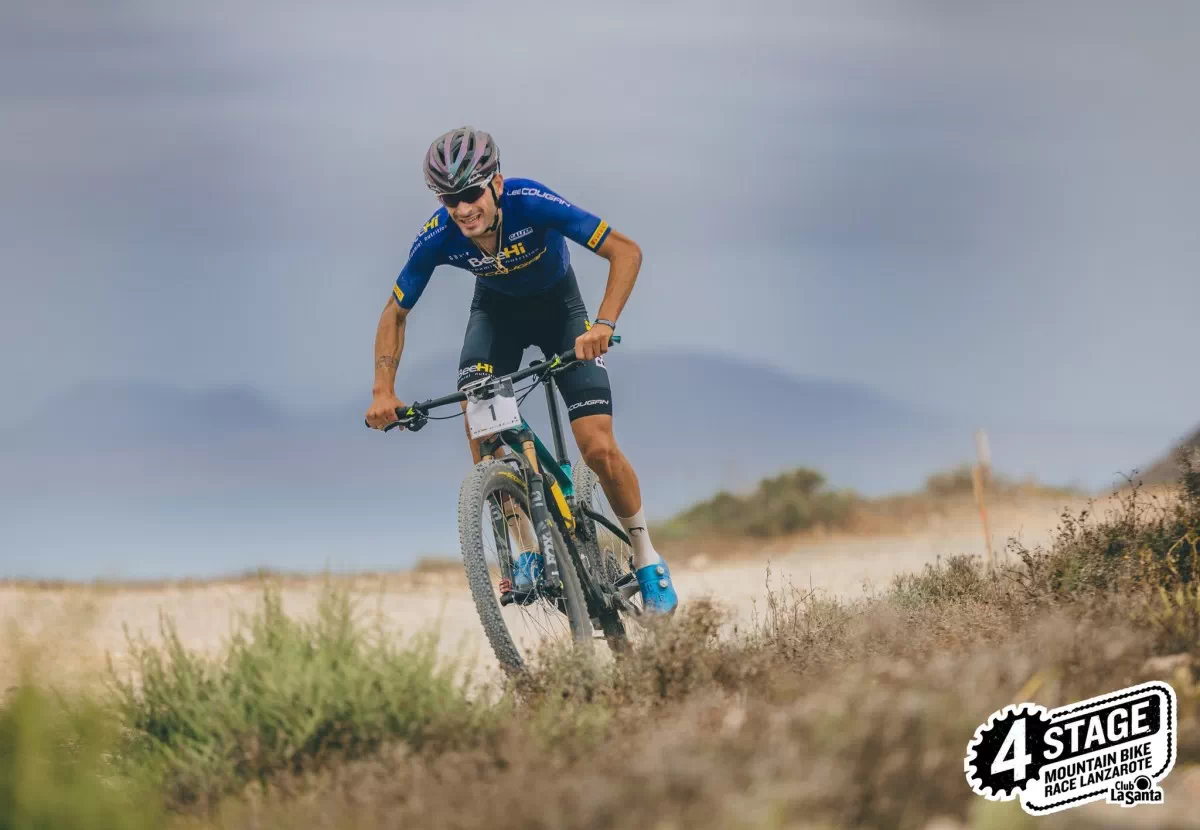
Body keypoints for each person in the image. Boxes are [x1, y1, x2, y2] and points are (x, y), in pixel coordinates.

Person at [365, 127, 677, 614]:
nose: (463, 209)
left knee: (595, 444)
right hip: (497, 315)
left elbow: (625, 250)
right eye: (451, 200)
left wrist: (603, 323)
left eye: (471, 194)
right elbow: (395, 311)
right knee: (477, 407)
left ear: (496, 183)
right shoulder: (439, 235)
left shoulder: (532, 202)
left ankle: (645, 555)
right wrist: (383, 389)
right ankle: (526, 546)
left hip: (563, 313)